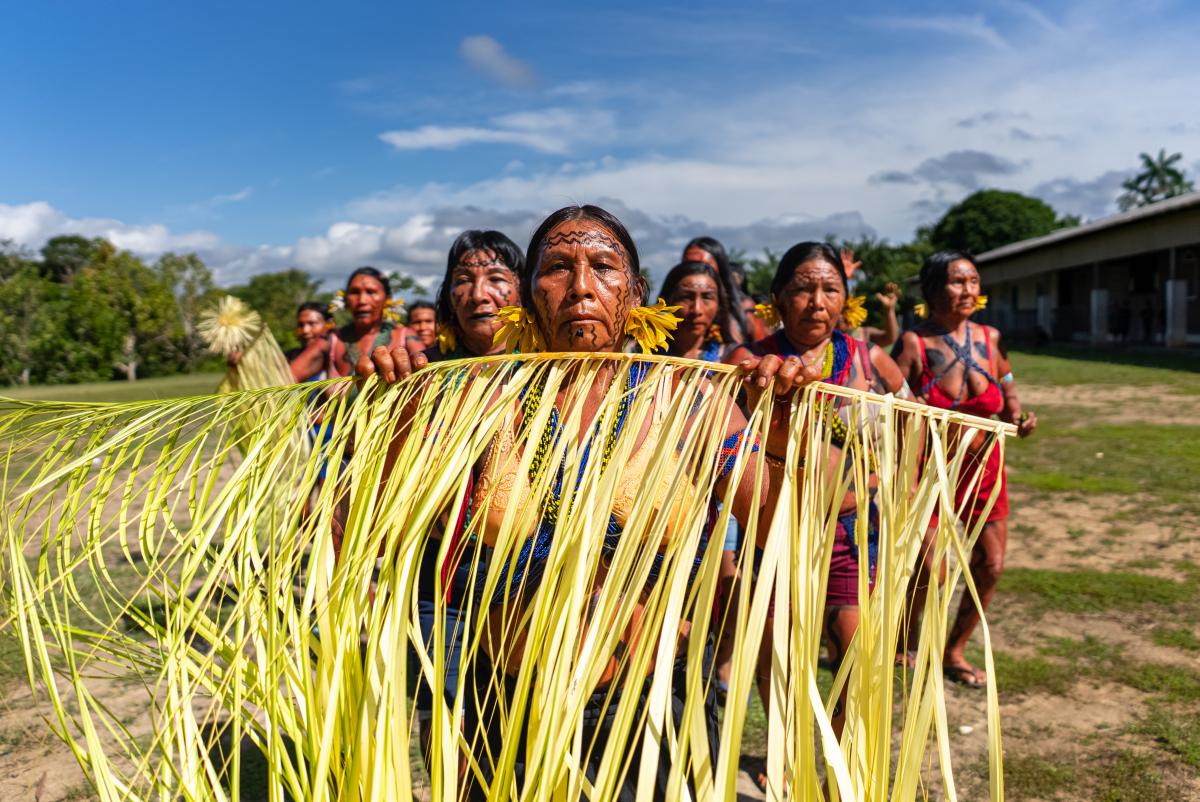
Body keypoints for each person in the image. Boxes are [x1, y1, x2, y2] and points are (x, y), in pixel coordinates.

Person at [361, 205, 815, 798]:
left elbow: (774, 523)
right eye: (556, 267)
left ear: (636, 293)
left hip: (648, 713)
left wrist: (778, 436)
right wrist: (394, 419)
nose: (580, 287)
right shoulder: (473, 402)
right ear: (527, 294)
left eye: (603, 266)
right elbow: (393, 523)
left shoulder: (688, 400)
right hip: (510, 710)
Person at [727, 241, 905, 743]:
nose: (817, 301)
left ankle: (833, 774)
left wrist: (894, 484)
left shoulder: (868, 361)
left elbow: (912, 425)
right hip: (775, 531)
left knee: (857, 661)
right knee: (778, 656)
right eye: (803, 289)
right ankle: (786, 761)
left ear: (845, 300)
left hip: (850, 532)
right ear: (778, 300)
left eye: (830, 289)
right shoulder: (751, 364)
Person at [892, 250, 1036, 686]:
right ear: (933, 289)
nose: (969, 289)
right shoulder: (915, 343)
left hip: (985, 468)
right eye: (958, 281)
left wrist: (1015, 411)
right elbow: (889, 392)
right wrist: (906, 405)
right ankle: (905, 639)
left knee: (991, 564)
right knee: (931, 568)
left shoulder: (990, 337)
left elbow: (1006, 378)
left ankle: (955, 649)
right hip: (930, 468)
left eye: (973, 281)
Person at [290, 266, 414, 380]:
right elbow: (284, 380)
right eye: (354, 292)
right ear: (346, 299)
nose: (362, 300)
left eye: (371, 292)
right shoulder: (331, 340)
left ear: (387, 299)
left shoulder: (406, 337)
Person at [428, 230, 524, 362]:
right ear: (448, 296)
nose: (478, 296)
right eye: (463, 280)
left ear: (522, 290)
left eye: (496, 279)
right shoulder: (425, 369)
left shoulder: (552, 365)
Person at [683, 236, 757, 343]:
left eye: (705, 266)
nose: (697, 270)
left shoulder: (744, 307)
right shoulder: (675, 307)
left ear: (720, 267)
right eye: (689, 265)